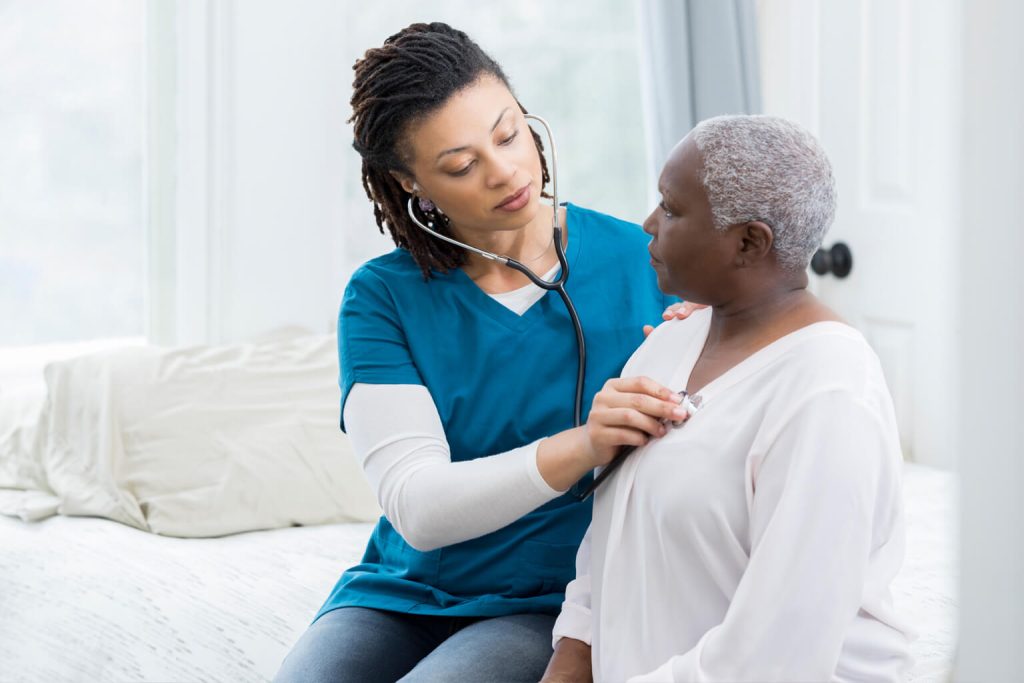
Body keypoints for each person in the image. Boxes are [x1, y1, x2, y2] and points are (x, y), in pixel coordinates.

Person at [275, 22, 696, 683]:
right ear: (413, 184)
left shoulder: (649, 262)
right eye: (461, 165)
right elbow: (420, 506)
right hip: (403, 593)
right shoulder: (382, 298)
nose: (506, 171)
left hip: (552, 601)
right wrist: (586, 442)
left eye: (508, 133)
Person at [542, 115, 913, 682]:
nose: (648, 223)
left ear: (748, 242)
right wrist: (568, 664)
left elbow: (773, 659)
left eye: (670, 209)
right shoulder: (668, 343)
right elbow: (609, 550)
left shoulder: (829, 395)